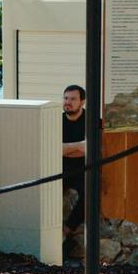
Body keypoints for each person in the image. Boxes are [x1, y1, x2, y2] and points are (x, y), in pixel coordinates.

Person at [62, 84, 89, 264]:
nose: (68, 103)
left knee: (90, 193)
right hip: (60, 169)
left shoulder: (91, 120)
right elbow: (56, 150)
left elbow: (89, 149)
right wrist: (77, 146)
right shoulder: (56, 120)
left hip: (82, 168)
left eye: (72, 99)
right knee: (47, 193)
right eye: (65, 98)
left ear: (82, 102)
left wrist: (66, 148)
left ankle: (67, 229)